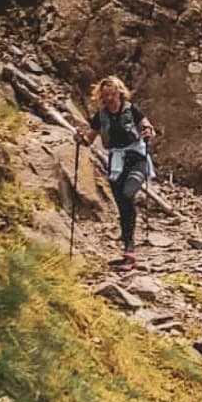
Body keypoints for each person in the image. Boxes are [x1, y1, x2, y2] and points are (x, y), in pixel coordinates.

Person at [78, 75, 155, 272]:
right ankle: (128, 252)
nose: (110, 98)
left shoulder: (131, 110)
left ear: (120, 93)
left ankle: (129, 250)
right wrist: (80, 139)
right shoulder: (101, 116)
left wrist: (147, 131)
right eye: (105, 95)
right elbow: (89, 139)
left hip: (136, 159)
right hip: (116, 162)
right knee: (122, 205)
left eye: (113, 94)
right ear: (101, 97)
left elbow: (147, 126)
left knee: (128, 194)